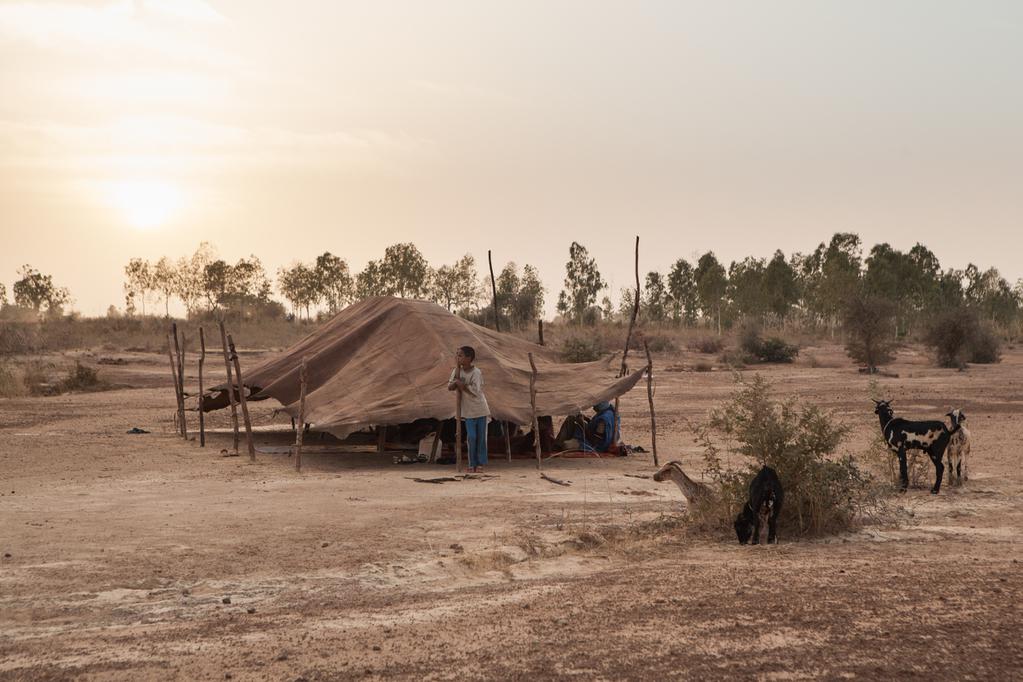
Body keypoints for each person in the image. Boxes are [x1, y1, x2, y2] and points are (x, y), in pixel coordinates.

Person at [447, 345, 490, 473]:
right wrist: (455, 384)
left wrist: (462, 385)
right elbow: (449, 386)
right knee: (471, 437)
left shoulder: (476, 372)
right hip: (468, 411)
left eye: (460, 355)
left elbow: (476, 391)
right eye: (457, 355)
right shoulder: (456, 371)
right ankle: (472, 463)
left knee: (481, 437)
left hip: (480, 409)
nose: (458, 358)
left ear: (469, 358)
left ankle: (480, 463)